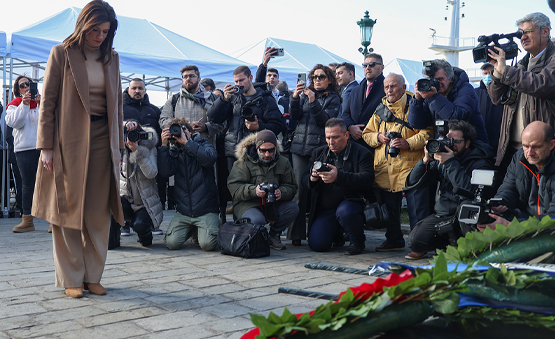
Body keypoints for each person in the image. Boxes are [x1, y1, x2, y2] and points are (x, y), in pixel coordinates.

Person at [32, 0, 124, 298]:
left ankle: (92, 275)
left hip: (103, 138)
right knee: (68, 209)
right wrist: (46, 146)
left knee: (98, 212)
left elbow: (119, 107)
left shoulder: (112, 58)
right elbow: (48, 103)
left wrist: (118, 145)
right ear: (83, 24)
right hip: (67, 140)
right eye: (95, 29)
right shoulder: (62, 53)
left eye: (105, 31)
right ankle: (71, 277)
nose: (99, 36)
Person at [362, 74, 434, 251]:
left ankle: (419, 246)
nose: (389, 90)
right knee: (390, 209)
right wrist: (378, 137)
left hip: (409, 167)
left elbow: (428, 134)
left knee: (416, 210)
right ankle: (394, 240)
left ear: (403, 87)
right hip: (385, 168)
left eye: (393, 86)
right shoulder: (381, 108)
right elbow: (366, 133)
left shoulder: (415, 105)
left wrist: (407, 143)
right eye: (386, 87)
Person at [405, 120, 492, 259]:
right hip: (443, 215)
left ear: (467, 143)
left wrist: (451, 163)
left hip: (466, 217)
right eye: (448, 141)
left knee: (468, 211)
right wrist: (425, 160)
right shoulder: (441, 161)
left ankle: (464, 246)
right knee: (415, 242)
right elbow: (412, 182)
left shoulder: (480, 163)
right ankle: (448, 245)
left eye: (456, 142)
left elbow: (472, 193)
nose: (451, 145)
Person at [487, 12, 555, 170]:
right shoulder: (519, 66)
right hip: (514, 152)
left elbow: (542, 85)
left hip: (545, 152)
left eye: (528, 32)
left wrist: (507, 71)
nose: (522, 37)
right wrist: (498, 72)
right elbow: (496, 98)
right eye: (520, 33)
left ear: (545, 31)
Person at [288, 64, 341, 245]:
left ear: (329, 80)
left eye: (321, 77)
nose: (317, 80)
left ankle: (317, 233)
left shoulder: (334, 98)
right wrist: (295, 98)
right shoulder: (305, 95)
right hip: (298, 149)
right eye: (314, 77)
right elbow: (294, 117)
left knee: (317, 191)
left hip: (318, 150)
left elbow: (326, 121)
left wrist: (313, 102)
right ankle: (295, 234)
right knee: (298, 190)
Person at [307, 118, 374, 255]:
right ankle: (337, 235)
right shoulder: (319, 153)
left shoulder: (362, 153)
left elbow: (367, 179)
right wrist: (312, 178)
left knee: (345, 212)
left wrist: (339, 176)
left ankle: (357, 241)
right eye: (328, 138)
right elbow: (304, 181)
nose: (331, 142)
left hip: (352, 203)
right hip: (327, 208)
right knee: (317, 244)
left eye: (335, 137)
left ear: (347, 135)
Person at [227, 130, 298, 250]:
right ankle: (254, 234)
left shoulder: (283, 162)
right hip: (248, 204)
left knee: (292, 208)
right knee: (257, 220)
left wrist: (281, 192)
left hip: (271, 204)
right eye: (263, 150)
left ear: (275, 148)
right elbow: (234, 187)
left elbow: (292, 186)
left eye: (271, 150)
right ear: (256, 148)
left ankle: (274, 235)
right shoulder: (244, 161)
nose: (267, 154)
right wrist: (254, 190)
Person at [478, 121, 555, 231]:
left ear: (551, 145)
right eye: (525, 146)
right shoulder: (519, 158)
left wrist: (514, 226)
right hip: (523, 220)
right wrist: (502, 203)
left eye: (536, 147)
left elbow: (552, 218)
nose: (529, 153)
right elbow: (508, 189)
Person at [158, 118, 220, 251]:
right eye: (176, 131)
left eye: (183, 129)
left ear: (190, 132)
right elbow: (165, 172)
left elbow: (209, 159)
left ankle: (213, 223)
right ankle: (193, 229)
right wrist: (164, 146)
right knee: (171, 243)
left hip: (206, 210)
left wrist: (187, 143)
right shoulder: (173, 151)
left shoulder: (202, 143)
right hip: (184, 212)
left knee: (207, 245)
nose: (179, 133)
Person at [207, 66, 283, 172]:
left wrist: (259, 126)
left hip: (257, 152)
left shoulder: (266, 99)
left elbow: (278, 125)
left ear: (250, 78)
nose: (238, 84)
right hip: (233, 151)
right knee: (234, 186)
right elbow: (213, 118)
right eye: (236, 81)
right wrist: (223, 99)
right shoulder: (232, 98)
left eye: (241, 80)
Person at [408, 59, 490, 146]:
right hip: (444, 145)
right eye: (432, 80)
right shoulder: (430, 94)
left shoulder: (465, 89)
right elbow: (417, 124)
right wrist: (417, 100)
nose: (436, 83)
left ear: (450, 79)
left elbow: (458, 117)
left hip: (470, 147)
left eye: (440, 79)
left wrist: (434, 97)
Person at [122, 78, 163, 235]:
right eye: (134, 88)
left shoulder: (154, 110)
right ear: (128, 89)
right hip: (124, 156)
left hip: (148, 155)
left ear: (145, 90)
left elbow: (157, 135)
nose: (137, 91)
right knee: (124, 189)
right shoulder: (119, 108)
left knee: (150, 189)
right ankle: (124, 222)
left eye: (140, 88)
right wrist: (126, 125)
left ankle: (149, 222)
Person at [114, 121, 162, 247]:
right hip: (126, 199)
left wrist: (138, 152)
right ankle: (112, 240)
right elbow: (112, 125)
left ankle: (145, 235)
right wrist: (125, 125)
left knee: (139, 225)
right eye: (129, 135)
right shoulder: (120, 150)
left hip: (144, 204)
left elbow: (152, 173)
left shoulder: (150, 148)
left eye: (135, 135)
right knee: (110, 207)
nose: (132, 138)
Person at [6, 75, 41, 233]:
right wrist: (25, 104)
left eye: (29, 84)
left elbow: (48, 123)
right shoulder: (13, 105)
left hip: (43, 148)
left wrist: (41, 105)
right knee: (27, 184)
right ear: (17, 90)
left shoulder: (40, 103)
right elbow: (15, 123)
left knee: (50, 184)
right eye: (23, 85)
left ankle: (54, 221)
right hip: (24, 149)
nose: (27, 86)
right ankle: (27, 219)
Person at [159, 65, 222, 146]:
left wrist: (206, 127)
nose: (188, 79)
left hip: (205, 150)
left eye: (192, 76)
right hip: (179, 150)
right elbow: (163, 120)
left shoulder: (212, 99)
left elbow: (222, 123)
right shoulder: (173, 99)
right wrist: (177, 126)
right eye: (185, 77)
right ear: (182, 80)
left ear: (199, 79)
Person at [341, 53, 385, 152]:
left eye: (372, 64)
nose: (368, 68)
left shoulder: (388, 88)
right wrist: (350, 127)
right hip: (355, 144)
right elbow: (345, 113)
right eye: (365, 65)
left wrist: (363, 130)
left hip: (377, 145)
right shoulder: (356, 90)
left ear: (381, 67)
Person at [475, 63, 503, 156]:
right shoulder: (475, 93)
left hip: (499, 142)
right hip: (479, 143)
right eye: (485, 73)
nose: (487, 76)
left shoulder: (504, 92)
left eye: (491, 72)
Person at [255, 47, 290, 114]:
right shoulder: (262, 93)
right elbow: (258, 81)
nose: (272, 78)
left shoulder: (283, 97)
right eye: (269, 75)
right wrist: (264, 63)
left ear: (278, 81)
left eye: (274, 76)